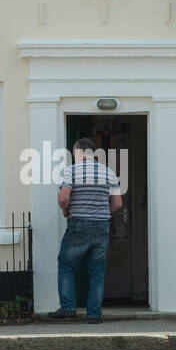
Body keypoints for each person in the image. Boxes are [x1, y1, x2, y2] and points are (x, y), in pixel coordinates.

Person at [48, 137, 122, 323]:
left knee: (66, 264)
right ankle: (94, 314)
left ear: (77, 153)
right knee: (97, 271)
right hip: (102, 226)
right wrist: (103, 212)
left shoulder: (71, 171)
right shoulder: (108, 173)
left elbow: (63, 198)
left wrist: (66, 210)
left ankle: (68, 307)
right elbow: (118, 204)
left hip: (80, 224)